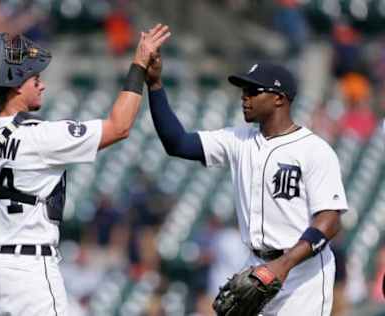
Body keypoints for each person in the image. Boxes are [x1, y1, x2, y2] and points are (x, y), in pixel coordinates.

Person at [0, 24, 170, 316]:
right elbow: (120, 126)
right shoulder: (39, 136)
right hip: (28, 272)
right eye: (35, 78)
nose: (42, 85)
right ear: (16, 84)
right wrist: (139, 64)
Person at [145, 55, 348, 315]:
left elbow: (330, 221)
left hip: (302, 274)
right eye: (243, 91)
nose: (244, 97)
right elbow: (177, 143)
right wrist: (154, 85)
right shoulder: (238, 139)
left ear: (279, 98)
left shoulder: (315, 150)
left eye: (253, 91)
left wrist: (283, 265)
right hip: (256, 267)